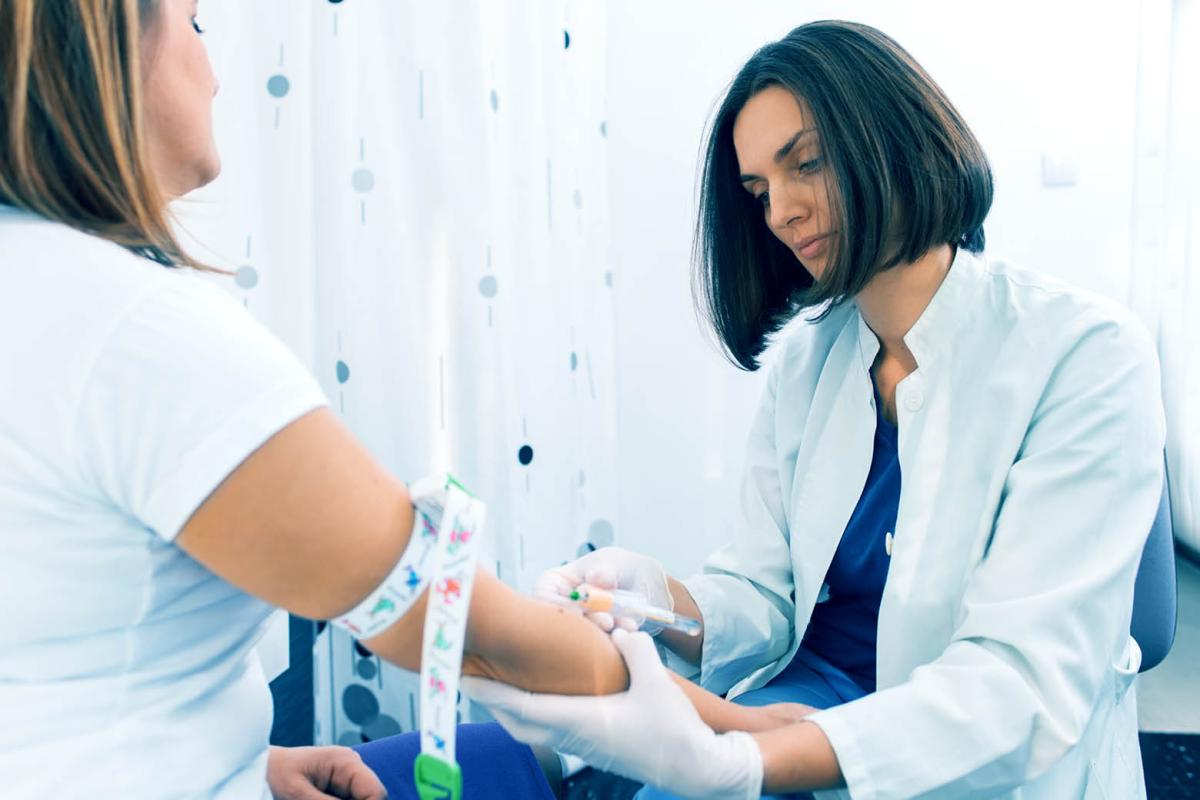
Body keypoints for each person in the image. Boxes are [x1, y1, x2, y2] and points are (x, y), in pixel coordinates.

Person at [1, 2, 814, 797]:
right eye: (196, 24)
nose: (215, 75)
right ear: (106, 43)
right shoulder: (140, 334)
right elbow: (467, 630)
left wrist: (251, 761)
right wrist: (752, 736)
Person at [464, 20, 1166, 799]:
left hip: (967, 750)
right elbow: (764, 596)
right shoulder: (813, 358)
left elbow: (1017, 690)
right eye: (759, 191)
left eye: (809, 164)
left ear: (896, 137)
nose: (781, 214)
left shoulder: (1085, 354)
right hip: (806, 700)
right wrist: (652, 600)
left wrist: (749, 760)